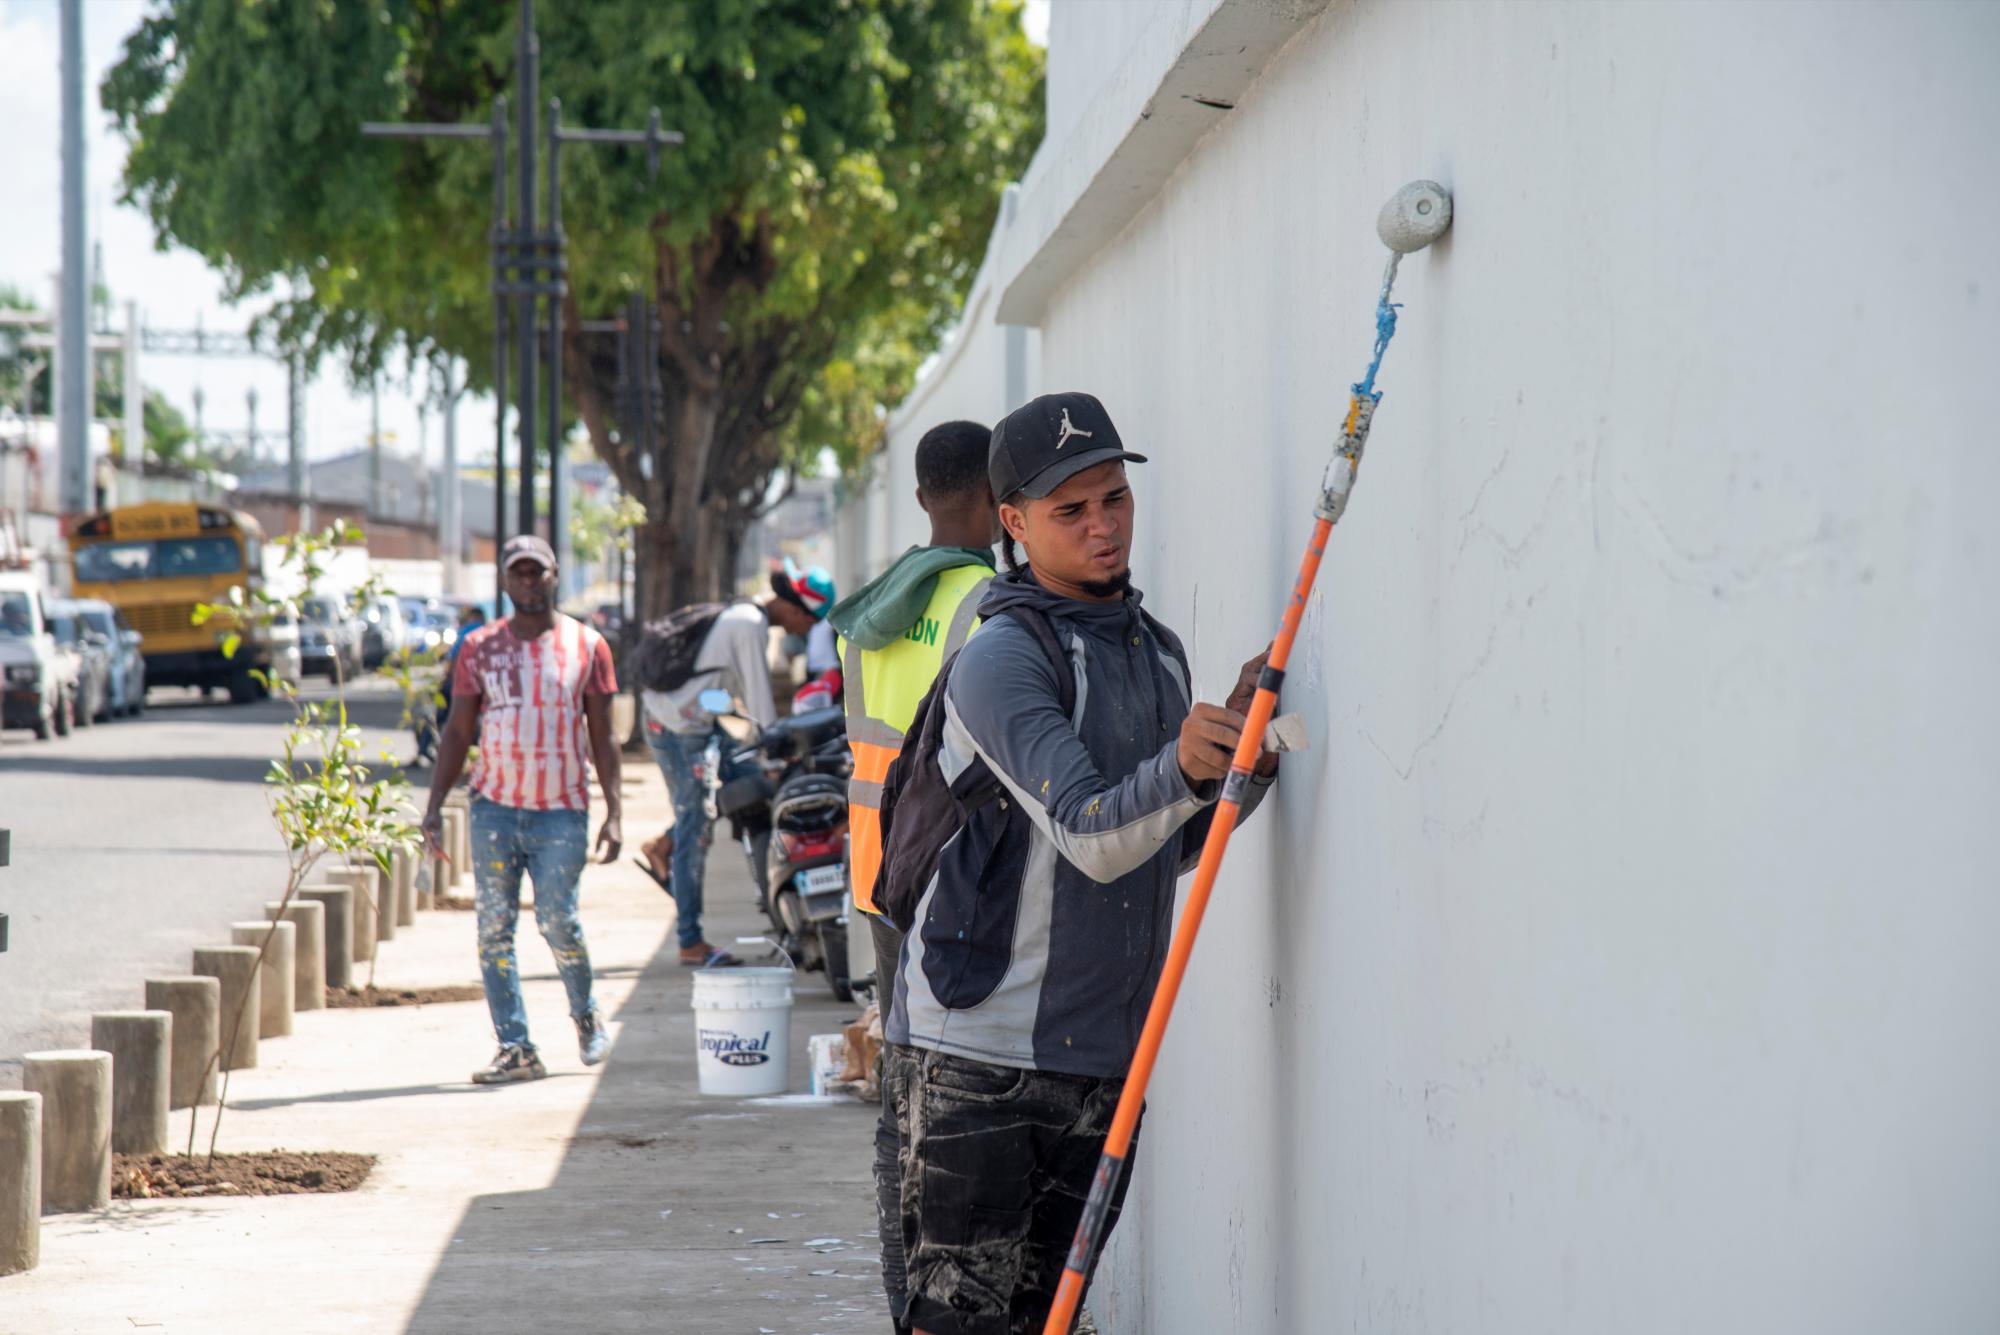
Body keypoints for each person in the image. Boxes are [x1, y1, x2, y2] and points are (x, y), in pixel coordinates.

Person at [885, 392, 1280, 1335]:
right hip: (976, 1059)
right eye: (1071, 511)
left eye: (1115, 499)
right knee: (962, 1325)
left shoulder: (1160, 655)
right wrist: (1183, 764)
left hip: (1104, 1060)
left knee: (1044, 1322)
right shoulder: (1001, 658)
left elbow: (1163, 851)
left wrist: (1239, 772)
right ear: (1013, 524)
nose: (1103, 526)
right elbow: (1093, 835)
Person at [823, 419, 999, 1333]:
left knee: (900, 1103)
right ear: (998, 493)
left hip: (876, 877)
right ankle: (936, 1299)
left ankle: (905, 1296)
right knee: (956, 1111)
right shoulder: (985, 604)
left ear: (925, 496)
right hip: (950, 885)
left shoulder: (875, 607)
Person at [422, 536, 623, 1084]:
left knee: (558, 921)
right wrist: (435, 806)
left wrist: (614, 811)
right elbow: (458, 729)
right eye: (520, 574)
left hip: (561, 811)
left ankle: (585, 1016)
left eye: (539, 572)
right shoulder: (479, 647)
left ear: (556, 576)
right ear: (506, 582)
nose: (530, 582)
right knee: (493, 930)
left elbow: (604, 738)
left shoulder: (588, 645)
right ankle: (516, 1047)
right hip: (494, 811)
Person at [639, 578, 827, 966]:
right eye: (807, 625)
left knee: (743, 785)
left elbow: (711, 684)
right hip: (676, 728)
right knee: (698, 826)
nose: (802, 634)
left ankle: (663, 844)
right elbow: (760, 697)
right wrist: (776, 754)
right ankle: (689, 940)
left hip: (694, 721)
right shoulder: (749, 626)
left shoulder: (742, 614)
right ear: (795, 610)